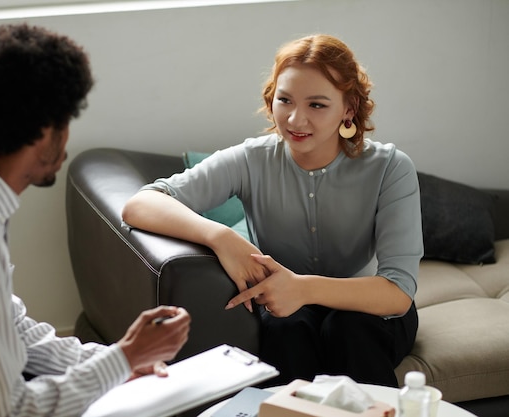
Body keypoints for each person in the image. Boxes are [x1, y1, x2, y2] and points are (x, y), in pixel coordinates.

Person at [0, 23, 190, 417]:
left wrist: (115, 359)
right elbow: (3, 411)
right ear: (44, 131)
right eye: (65, 121)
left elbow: (9, 325)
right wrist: (124, 360)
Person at [122, 34, 422, 388]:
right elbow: (141, 204)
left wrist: (304, 289)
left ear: (349, 109)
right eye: (285, 100)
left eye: (317, 105)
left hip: (369, 311)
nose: (296, 119)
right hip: (287, 309)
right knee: (286, 328)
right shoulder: (251, 160)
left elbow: (398, 293)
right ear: (271, 99)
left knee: (347, 329)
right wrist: (220, 237)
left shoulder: (390, 167)